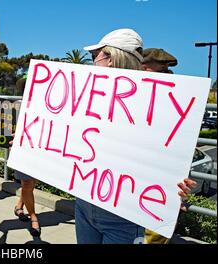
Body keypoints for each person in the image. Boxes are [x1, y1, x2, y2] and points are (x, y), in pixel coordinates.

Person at [77, 28, 196, 244]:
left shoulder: (162, 108)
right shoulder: (85, 98)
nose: (92, 63)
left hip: (124, 216)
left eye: (95, 57)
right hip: (84, 205)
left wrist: (176, 183)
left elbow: (170, 158)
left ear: (111, 59)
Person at [141, 47, 194, 244]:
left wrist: (180, 183)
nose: (166, 76)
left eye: (166, 72)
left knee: (154, 238)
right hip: (128, 190)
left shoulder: (174, 99)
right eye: (160, 71)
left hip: (156, 192)